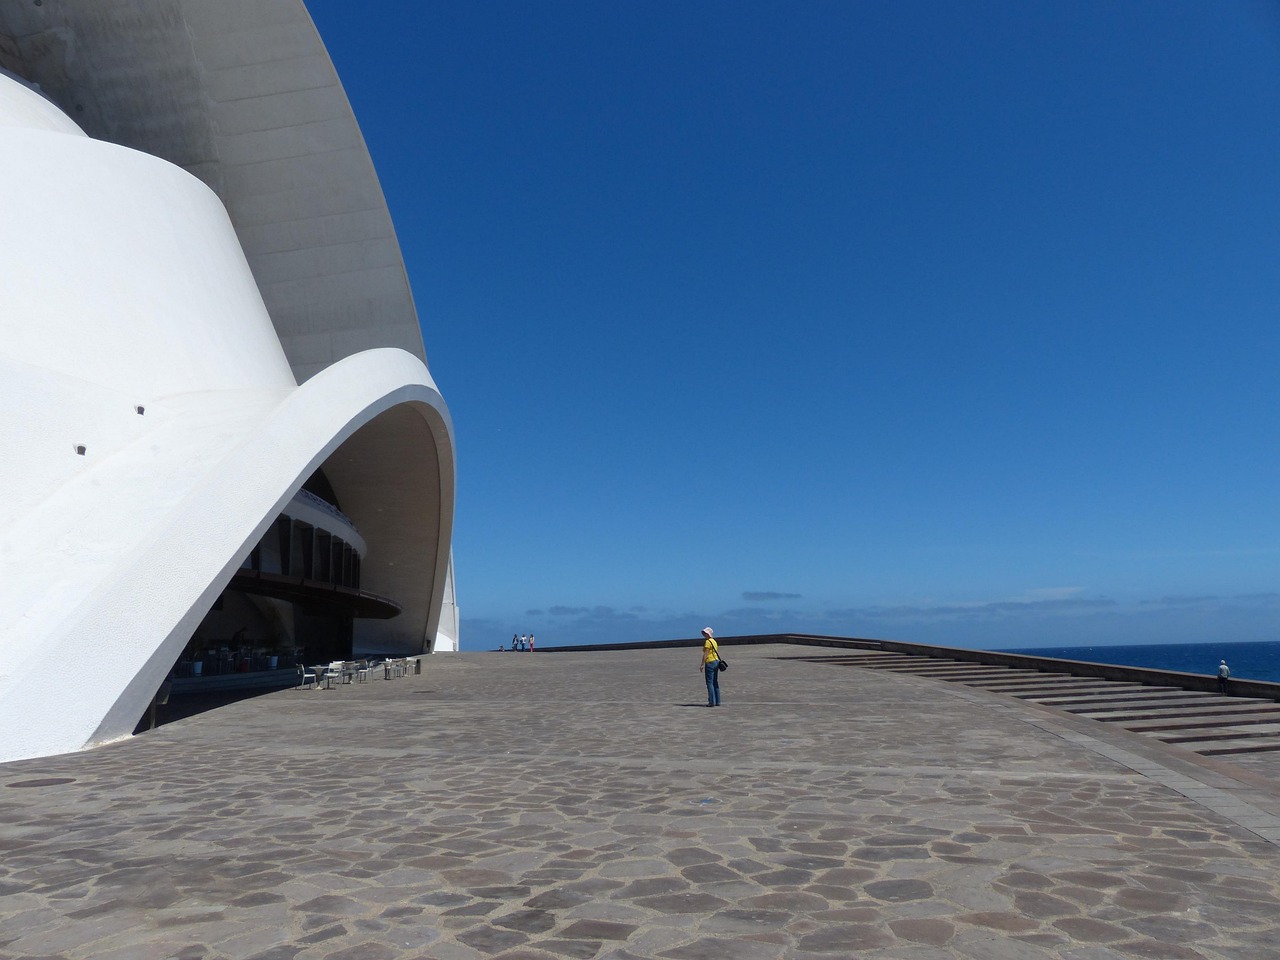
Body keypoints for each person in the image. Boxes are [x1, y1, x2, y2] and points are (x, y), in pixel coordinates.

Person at [700, 626, 721, 707]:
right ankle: (718, 701)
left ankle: (712, 701)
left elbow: (706, 653)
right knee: (715, 682)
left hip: (710, 662)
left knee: (709, 682)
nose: (704, 635)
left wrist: (702, 664)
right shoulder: (714, 641)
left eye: (705, 633)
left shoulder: (708, 642)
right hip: (716, 661)